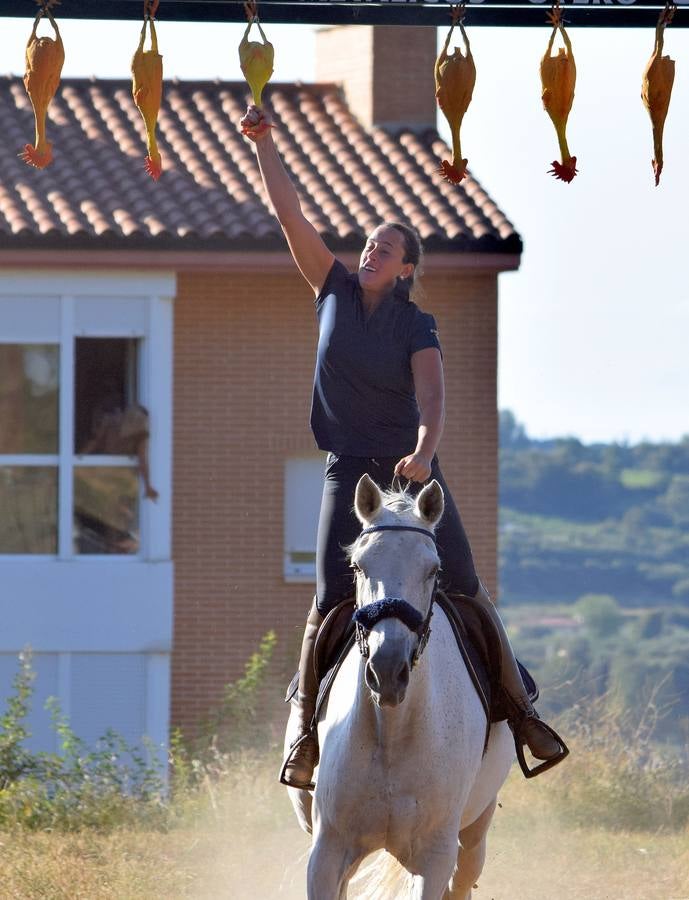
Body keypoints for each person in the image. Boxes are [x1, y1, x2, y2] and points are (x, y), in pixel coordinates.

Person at [241, 104, 567, 788]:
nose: (369, 252)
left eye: (385, 249)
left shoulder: (416, 323)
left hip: (410, 475)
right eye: (367, 244)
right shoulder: (328, 289)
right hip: (345, 473)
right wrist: (266, 142)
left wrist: (423, 453)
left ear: (406, 269)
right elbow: (288, 214)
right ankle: (304, 731)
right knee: (328, 600)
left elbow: (433, 399)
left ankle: (519, 713)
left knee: (468, 589)